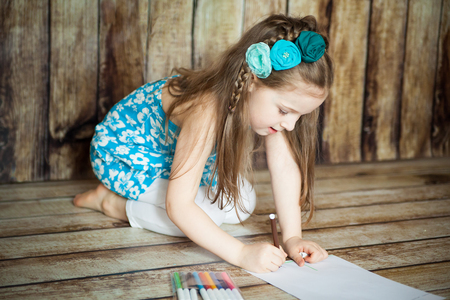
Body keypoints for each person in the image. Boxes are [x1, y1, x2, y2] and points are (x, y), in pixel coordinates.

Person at [74, 14, 334, 273]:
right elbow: (178, 206)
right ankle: (109, 202)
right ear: (254, 79)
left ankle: (138, 198)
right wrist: (241, 253)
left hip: (170, 158)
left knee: (242, 202)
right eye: (285, 111)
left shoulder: (269, 106)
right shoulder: (206, 109)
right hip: (126, 154)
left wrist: (292, 238)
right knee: (203, 217)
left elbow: (285, 168)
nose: (290, 125)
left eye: (300, 116)